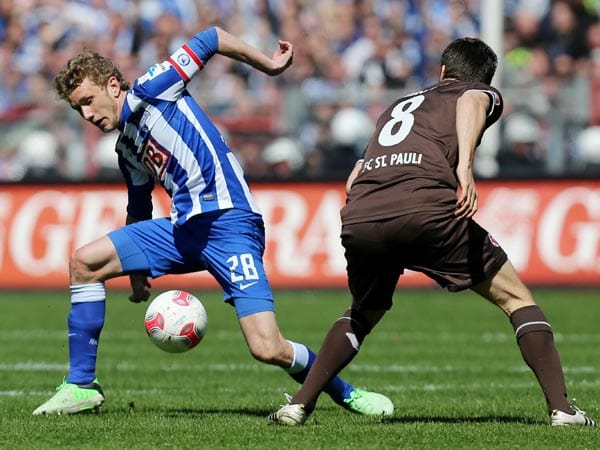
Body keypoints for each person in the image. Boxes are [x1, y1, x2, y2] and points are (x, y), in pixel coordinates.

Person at [32, 26, 394, 417]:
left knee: (267, 348)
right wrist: (136, 275)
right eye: (77, 109)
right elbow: (138, 205)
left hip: (229, 224)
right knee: (85, 263)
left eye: (88, 101)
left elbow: (211, 38)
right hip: (183, 229)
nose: (86, 114)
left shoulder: (155, 86)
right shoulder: (126, 146)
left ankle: (348, 393)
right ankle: (81, 385)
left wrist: (269, 65)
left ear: (114, 85)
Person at [269, 37, 596, 427]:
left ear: (441, 71)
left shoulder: (396, 106)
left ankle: (298, 406)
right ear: (486, 79)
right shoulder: (479, 93)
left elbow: (357, 170)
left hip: (361, 215)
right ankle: (562, 410)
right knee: (517, 298)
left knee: (363, 312)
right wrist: (466, 168)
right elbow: (472, 101)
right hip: (425, 209)